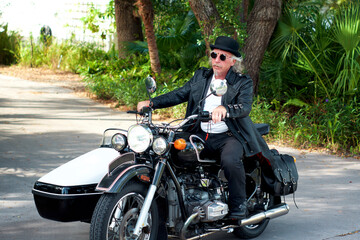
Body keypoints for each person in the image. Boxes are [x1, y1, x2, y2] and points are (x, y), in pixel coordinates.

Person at [137, 36, 268, 220]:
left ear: (232, 61)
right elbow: (180, 94)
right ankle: (171, 199)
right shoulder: (201, 77)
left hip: (229, 135)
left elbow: (245, 107)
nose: (216, 60)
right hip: (200, 133)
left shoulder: (241, 81)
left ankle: (239, 204)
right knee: (165, 147)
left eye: (223, 57)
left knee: (230, 160)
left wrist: (225, 109)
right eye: (214, 55)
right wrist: (152, 103)